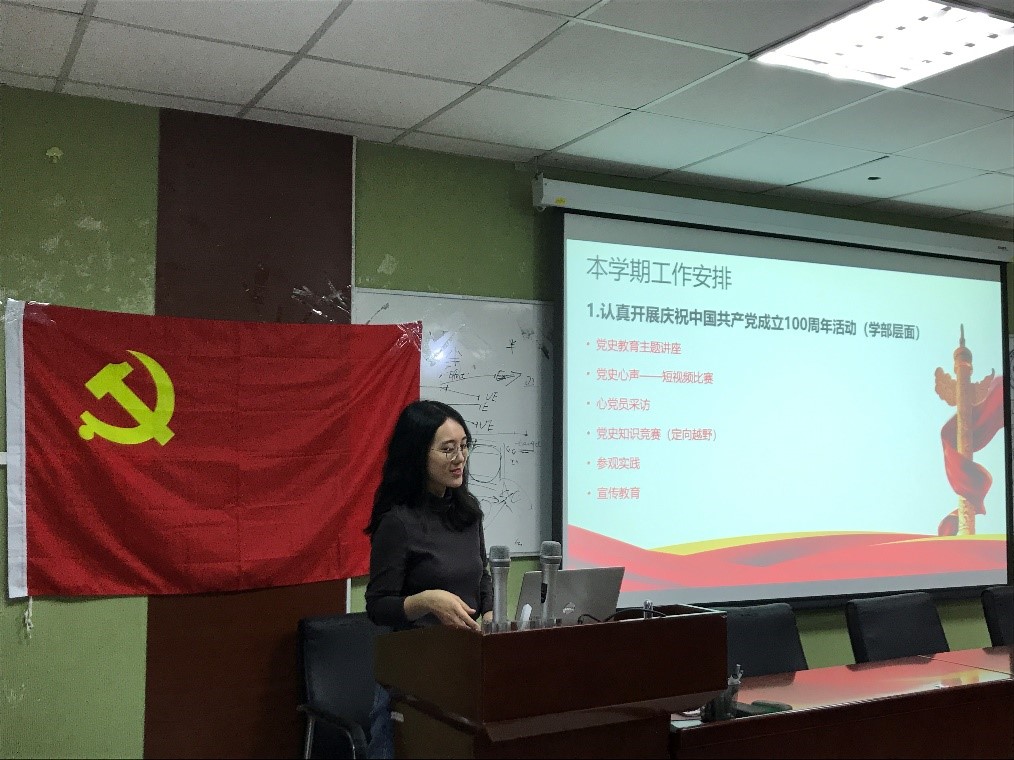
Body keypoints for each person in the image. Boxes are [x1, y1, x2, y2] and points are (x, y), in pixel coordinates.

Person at [364, 400, 493, 758]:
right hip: (412, 678)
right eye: (447, 449)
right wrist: (426, 601)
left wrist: (489, 612)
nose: (460, 458)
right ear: (417, 455)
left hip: (462, 672)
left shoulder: (468, 513)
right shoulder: (398, 522)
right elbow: (377, 606)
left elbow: (481, 576)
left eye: (464, 446)